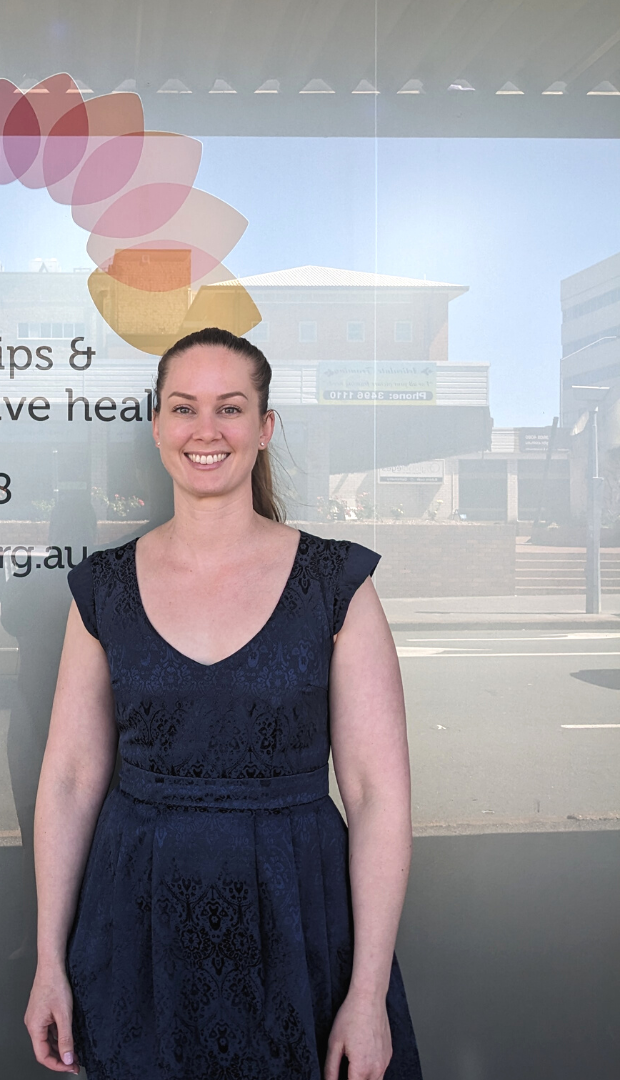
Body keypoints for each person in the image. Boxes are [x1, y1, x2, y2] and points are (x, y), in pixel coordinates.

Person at [25, 327, 422, 1080]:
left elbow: (377, 797)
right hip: (135, 926)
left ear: (265, 428)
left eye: (230, 408)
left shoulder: (338, 584)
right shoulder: (103, 590)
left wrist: (366, 993)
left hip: (301, 923)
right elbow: (71, 779)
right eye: (184, 407)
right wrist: (50, 960)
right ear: (156, 424)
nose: (206, 430)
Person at [0, 492, 99, 958]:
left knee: (35, 833)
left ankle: (36, 939)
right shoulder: (105, 576)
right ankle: (70, 939)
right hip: (91, 719)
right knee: (90, 835)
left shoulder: (41, 575)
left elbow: (10, 620)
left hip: (40, 710)